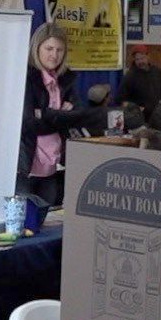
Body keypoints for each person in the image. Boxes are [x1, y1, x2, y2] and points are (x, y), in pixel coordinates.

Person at [18, 22, 102, 208]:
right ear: (36, 48)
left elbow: (80, 114)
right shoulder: (25, 78)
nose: (54, 55)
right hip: (26, 168)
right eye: (49, 48)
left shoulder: (67, 79)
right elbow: (27, 123)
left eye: (59, 50)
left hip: (54, 168)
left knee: (49, 221)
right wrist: (61, 116)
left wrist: (45, 114)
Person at [115, 46, 161, 114]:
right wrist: (137, 109)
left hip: (156, 115)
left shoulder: (157, 72)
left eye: (142, 58)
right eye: (137, 59)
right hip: (138, 117)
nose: (140, 62)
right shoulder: (129, 76)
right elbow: (120, 99)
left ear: (148, 56)